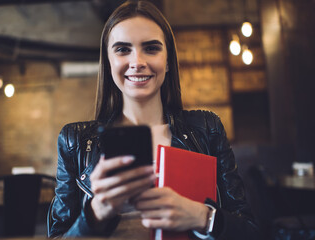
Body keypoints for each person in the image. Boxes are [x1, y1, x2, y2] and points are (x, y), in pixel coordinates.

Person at [49, 1, 259, 239]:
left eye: (151, 48)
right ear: (108, 63)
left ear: (168, 61)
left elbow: (250, 231)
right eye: (122, 49)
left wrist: (203, 217)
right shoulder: (74, 141)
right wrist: (95, 214)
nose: (137, 62)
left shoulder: (207, 129)